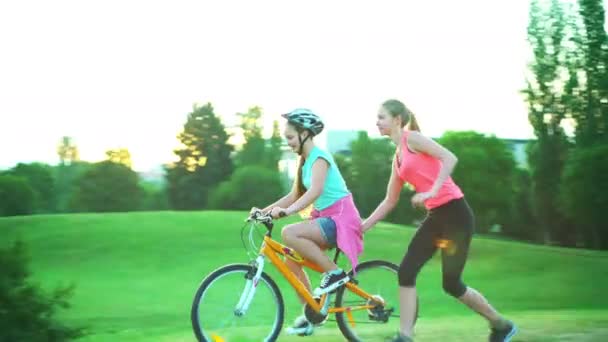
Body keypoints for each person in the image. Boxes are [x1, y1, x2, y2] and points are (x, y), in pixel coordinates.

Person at [361, 99, 517, 342]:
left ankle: (501, 325)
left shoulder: (412, 139)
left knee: (452, 284)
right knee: (406, 272)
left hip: (456, 214)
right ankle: (404, 336)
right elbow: (390, 200)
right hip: (436, 217)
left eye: (382, 117)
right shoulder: (398, 157)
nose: (377, 121)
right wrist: (364, 226)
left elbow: (450, 157)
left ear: (397, 120)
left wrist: (432, 191)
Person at [254, 108, 363, 336]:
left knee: (289, 233)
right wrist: (262, 212)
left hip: (341, 219)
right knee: (289, 258)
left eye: (291, 138)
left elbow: (315, 191)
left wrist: (288, 212)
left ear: (305, 133)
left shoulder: (320, 157)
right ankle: (311, 313)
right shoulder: (304, 162)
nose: (289, 143)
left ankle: (334, 273)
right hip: (326, 220)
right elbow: (293, 196)